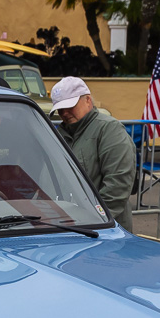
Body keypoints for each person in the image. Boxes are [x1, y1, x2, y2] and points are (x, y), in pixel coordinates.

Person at [50, 76, 136, 231]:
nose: (64, 112)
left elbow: (118, 184)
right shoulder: (59, 135)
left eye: (70, 106)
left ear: (88, 100)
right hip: (71, 226)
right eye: (60, 109)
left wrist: (94, 220)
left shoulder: (109, 129)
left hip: (106, 229)